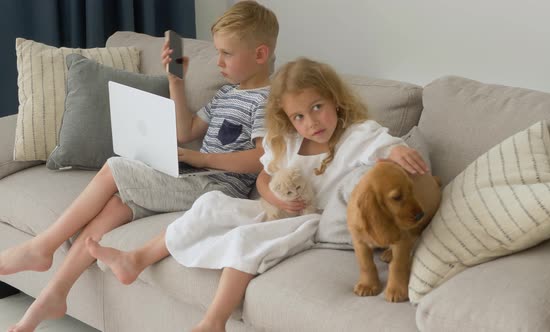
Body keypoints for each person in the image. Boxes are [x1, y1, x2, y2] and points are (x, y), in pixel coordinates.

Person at [87, 57, 428, 332]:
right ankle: (136, 259)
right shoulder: (290, 141)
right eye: (298, 115)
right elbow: (265, 177)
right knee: (211, 205)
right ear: (286, 117)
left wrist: (396, 153)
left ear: (336, 100)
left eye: (317, 107)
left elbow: (385, 148)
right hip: (280, 209)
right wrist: (275, 198)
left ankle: (214, 320)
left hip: (314, 222)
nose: (311, 122)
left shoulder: (356, 136)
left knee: (248, 239)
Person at [0, 1, 279, 331]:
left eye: (226, 54)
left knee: (115, 167)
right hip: (195, 175)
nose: (218, 61)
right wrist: (176, 80)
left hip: (218, 185)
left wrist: (199, 158)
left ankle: (43, 246)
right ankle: (54, 294)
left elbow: (262, 158)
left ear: (260, 55)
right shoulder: (228, 93)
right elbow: (185, 131)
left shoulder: (267, 100)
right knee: (115, 207)